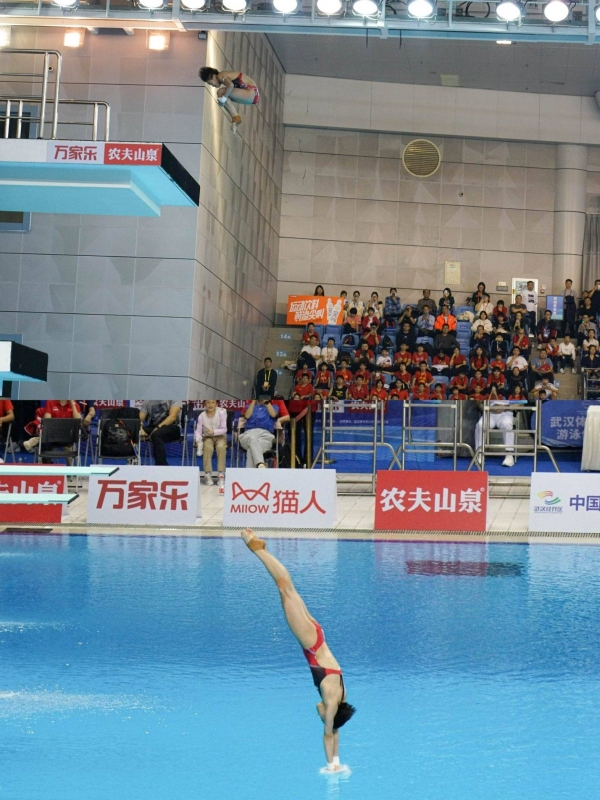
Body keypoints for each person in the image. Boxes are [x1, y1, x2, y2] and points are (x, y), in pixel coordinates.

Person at [240, 529, 355, 772]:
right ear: (330, 715)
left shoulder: (340, 699)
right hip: (310, 641)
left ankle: (260, 549)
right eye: (323, 718)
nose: (319, 716)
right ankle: (257, 549)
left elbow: (335, 731)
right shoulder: (331, 703)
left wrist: (338, 761)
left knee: (289, 589)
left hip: (317, 636)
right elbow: (328, 734)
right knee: (284, 588)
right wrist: (330, 766)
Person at [200, 67, 260, 133]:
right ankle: (235, 117)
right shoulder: (225, 76)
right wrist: (223, 100)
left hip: (252, 91)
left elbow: (231, 85)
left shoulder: (220, 75)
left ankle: (236, 117)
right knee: (223, 95)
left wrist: (223, 99)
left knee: (221, 92)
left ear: (213, 77)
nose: (212, 86)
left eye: (211, 83)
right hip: (252, 96)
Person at [475, 397, 515, 467]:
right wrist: (489, 408)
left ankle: (509, 455)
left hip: (506, 413)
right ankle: (479, 453)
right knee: (480, 425)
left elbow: (521, 403)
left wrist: (504, 407)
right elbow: (478, 403)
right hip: (489, 413)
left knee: (507, 424)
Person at [195, 400, 227, 487]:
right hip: (207, 437)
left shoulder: (221, 413)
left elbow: (224, 429)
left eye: (213, 402)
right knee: (207, 447)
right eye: (208, 402)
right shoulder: (201, 416)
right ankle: (207, 474)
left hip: (220, 436)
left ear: (216, 404)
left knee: (221, 447)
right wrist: (198, 439)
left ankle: (221, 474)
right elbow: (198, 431)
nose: (210, 405)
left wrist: (214, 432)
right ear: (204, 404)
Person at [239, 396, 278, 468]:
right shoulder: (250, 406)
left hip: (265, 436)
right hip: (249, 434)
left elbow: (273, 414)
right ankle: (260, 464)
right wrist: (253, 402)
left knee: (251, 449)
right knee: (252, 439)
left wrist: (267, 402)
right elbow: (247, 416)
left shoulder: (274, 407)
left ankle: (254, 471)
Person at [139, 401, 182, 466]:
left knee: (156, 434)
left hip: (173, 427)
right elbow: (139, 420)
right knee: (135, 431)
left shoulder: (174, 398)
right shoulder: (148, 401)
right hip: (154, 427)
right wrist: (140, 428)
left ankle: (161, 466)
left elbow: (172, 417)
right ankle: (135, 462)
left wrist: (158, 427)